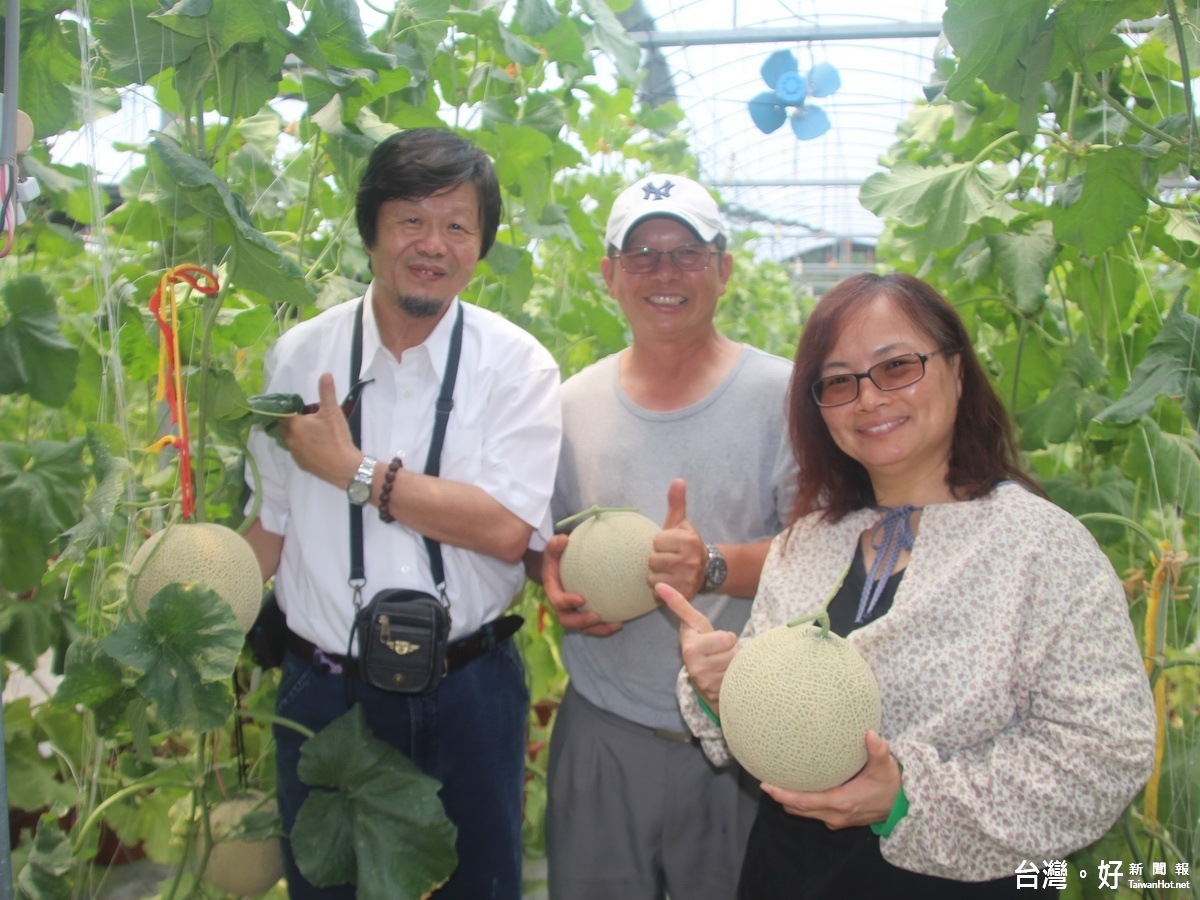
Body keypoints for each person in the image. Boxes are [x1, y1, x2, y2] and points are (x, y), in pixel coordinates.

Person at [660, 272, 1157, 898]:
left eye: (896, 366)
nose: (867, 398)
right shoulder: (807, 541)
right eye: (839, 381)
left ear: (956, 371)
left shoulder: (1041, 546)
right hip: (791, 872)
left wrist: (906, 798)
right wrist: (720, 688)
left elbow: (1105, 753)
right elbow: (771, 724)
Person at [241, 127, 562, 899]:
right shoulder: (299, 356)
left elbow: (503, 528)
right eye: (412, 220)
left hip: (469, 690)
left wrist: (352, 470)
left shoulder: (517, 363)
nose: (434, 244)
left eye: (458, 226)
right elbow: (270, 524)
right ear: (371, 230)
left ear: (478, 247)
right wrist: (200, 619)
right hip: (323, 691)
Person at [529, 174, 796, 899]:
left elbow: (830, 558)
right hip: (605, 732)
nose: (665, 273)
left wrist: (712, 566)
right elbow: (543, 545)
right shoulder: (570, 404)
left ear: (725, 268)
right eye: (642, 254)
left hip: (744, 733)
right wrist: (551, 582)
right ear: (609, 274)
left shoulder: (786, 396)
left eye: (688, 252)